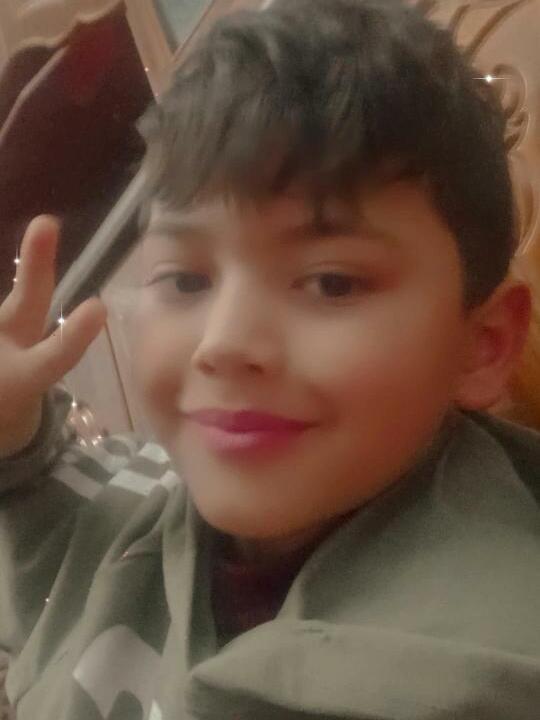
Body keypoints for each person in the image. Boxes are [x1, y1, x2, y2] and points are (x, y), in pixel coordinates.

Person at [1, 0, 540, 718]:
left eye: (331, 283)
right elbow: (65, 534)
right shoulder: (166, 491)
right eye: (185, 280)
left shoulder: (469, 672)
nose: (223, 343)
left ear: (484, 343)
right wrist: (15, 433)